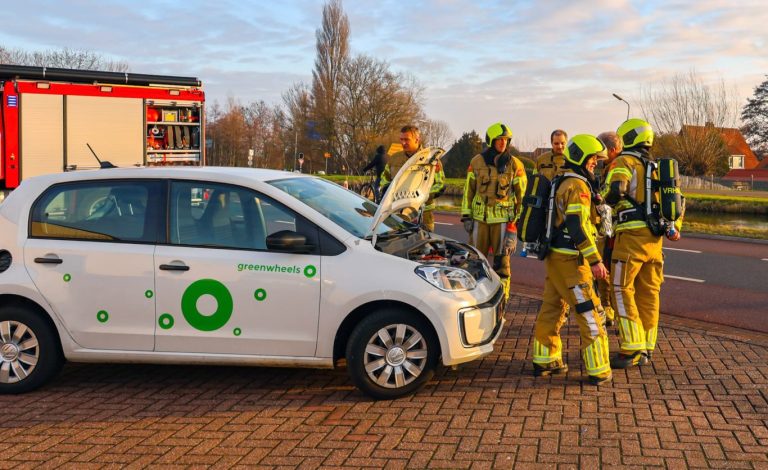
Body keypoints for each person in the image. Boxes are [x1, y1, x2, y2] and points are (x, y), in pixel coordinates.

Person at [531, 134, 612, 385]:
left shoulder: (561, 180)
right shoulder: (578, 186)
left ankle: (546, 359)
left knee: (553, 308)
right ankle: (599, 369)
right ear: (583, 159)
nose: (595, 165)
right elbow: (577, 226)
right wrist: (596, 259)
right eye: (593, 160)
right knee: (590, 312)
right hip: (572, 263)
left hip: (555, 257)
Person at [603, 119, 683, 369]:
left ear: (627, 138)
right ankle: (647, 346)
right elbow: (679, 200)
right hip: (655, 240)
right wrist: (675, 228)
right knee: (650, 294)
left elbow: (616, 189)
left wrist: (604, 197)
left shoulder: (623, 162)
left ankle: (632, 349)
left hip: (630, 237)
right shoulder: (658, 168)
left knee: (620, 289)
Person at [460, 122, 526, 301]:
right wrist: (466, 216)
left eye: (506, 140)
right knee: (474, 261)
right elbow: (469, 190)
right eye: (499, 139)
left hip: (503, 221)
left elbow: (522, 197)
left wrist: (514, 226)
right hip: (479, 221)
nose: (503, 143)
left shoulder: (516, 165)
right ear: (491, 140)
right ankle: (473, 297)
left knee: (502, 264)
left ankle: (502, 299)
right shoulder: (476, 162)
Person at [380, 125, 445, 231]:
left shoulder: (431, 160)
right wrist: (386, 190)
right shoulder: (394, 158)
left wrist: (420, 198)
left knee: (422, 245)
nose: (403, 143)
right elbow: (385, 179)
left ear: (417, 139)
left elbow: (440, 185)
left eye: (406, 139)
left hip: (424, 214)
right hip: (396, 213)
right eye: (401, 139)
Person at [594, 131, 623, 327]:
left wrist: (594, 196)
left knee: (608, 268)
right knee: (607, 267)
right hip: (612, 224)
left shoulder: (617, 167)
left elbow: (607, 194)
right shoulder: (610, 166)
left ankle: (610, 308)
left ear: (612, 150)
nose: (598, 156)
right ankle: (608, 309)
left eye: (601, 150)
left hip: (615, 225)